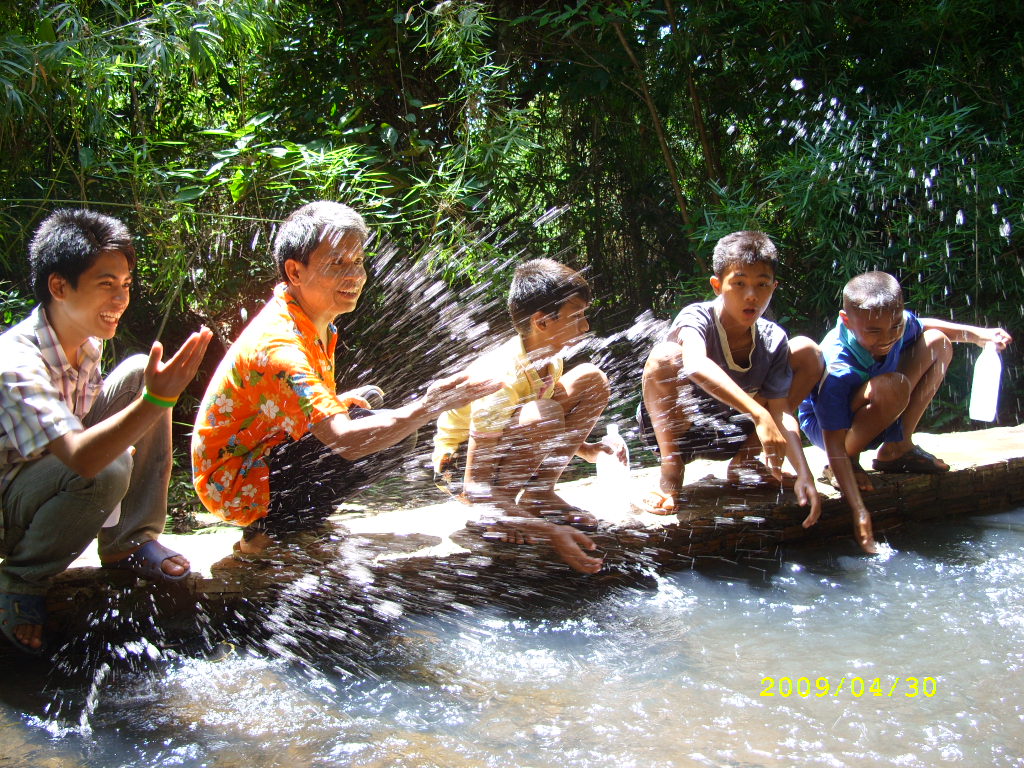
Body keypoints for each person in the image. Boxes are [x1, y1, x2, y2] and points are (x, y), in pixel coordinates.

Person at [191, 201, 498, 562]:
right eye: (337, 263)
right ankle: (269, 534)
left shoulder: (314, 319)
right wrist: (428, 407)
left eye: (358, 261)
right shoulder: (280, 346)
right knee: (391, 434)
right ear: (295, 271)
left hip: (258, 454)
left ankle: (300, 524)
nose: (354, 275)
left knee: (373, 410)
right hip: (234, 483)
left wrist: (342, 401)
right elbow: (344, 442)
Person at [0, 209, 212, 655]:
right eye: (106, 285)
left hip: (44, 476)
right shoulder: (16, 364)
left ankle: (128, 542)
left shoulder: (88, 344)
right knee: (109, 465)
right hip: (9, 507)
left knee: (137, 372)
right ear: (60, 287)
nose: (121, 299)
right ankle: (20, 578)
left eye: (126, 285)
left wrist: (151, 394)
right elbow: (81, 457)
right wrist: (158, 400)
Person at [798, 270, 1012, 553]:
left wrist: (977, 335)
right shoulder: (837, 366)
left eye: (895, 327)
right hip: (829, 430)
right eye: (874, 331)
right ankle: (845, 464)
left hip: (878, 405)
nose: (887, 338)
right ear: (846, 321)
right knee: (894, 386)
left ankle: (897, 447)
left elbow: (922, 325)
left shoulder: (892, 323)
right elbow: (833, 440)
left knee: (938, 342)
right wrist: (858, 508)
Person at [432, 258, 617, 575]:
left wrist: (584, 448)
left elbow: (542, 412)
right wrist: (550, 532)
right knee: (543, 413)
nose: (586, 327)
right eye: (577, 317)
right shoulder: (499, 380)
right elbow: (474, 483)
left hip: (496, 447)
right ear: (542, 323)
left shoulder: (548, 356)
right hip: (458, 470)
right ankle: (499, 510)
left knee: (591, 379)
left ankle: (538, 494)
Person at [635, 230, 822, 529]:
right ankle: (671, 471)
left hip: (732, 433)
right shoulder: (698, 318)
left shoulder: (773, 338)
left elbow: (781, 409)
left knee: (808, 352)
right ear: (717, 285)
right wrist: (759, 414)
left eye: (762, 285)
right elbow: (694, 364)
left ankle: (746, 461)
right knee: (665, 356)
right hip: (682, 431)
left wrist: (804, 473)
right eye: (739, 284)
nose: (752, 295)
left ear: (774, 287)